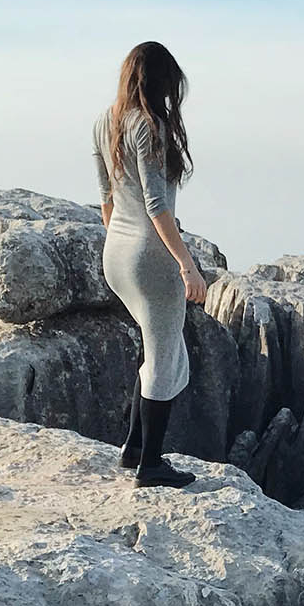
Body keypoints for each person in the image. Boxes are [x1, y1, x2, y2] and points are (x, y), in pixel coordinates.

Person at [94, 41, 210, 489]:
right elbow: (156, 203)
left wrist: (121, 242)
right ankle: (152, 466)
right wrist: (186, 265)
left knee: (153, 346)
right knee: (165, 358)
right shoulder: (149, 125)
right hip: (150, 256)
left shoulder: (105, 121)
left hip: (116, 255)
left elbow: (106, 198)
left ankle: (134, 448)